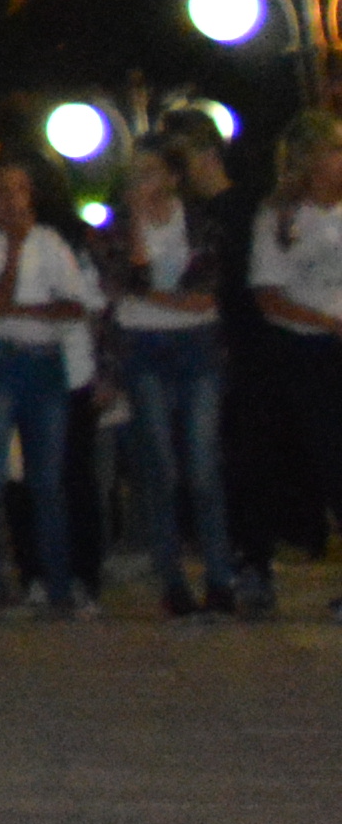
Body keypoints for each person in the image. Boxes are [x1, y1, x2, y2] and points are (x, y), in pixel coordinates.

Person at [108, 146, 246, 616]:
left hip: (197, 346)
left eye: (149, 173)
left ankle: (220, 578)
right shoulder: (116, 229)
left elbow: (204, 297)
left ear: (171, 176)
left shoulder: (201, 224)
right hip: (143, 350)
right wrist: (138, 233)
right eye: (134, 176)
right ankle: (173, 582)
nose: (140, 184)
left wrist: (150, 295)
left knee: (204, 465)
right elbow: (130, 278)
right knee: (161, 469)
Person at [0, 149, 95, 614]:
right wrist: (14, 253)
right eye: (1, 191)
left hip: (43, 362)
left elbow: (74, 306)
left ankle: (58, 583)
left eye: (20, 189)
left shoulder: (52, 242)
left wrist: (19, 311)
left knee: (48, 480)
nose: (12, 200)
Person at [251, 112, 342, 615]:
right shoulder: (282, 217)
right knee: (333, 459)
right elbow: (268, 294)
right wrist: (327, 323)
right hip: (309, 348)